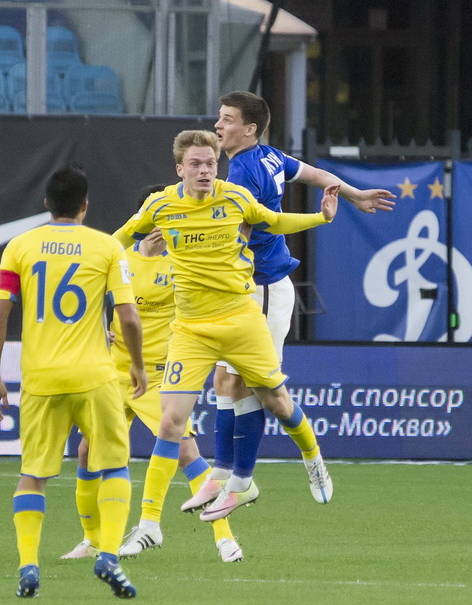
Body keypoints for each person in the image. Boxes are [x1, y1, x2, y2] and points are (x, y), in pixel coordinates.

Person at [112, 129, 338, 552]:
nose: (204, 170)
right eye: (195, 164)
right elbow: (121, 238)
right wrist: (90, 260)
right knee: (170, 423)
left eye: (210, 163)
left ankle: (313, 457)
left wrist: (319, 218)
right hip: (192, 330)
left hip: (240, 320)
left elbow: (272, 222)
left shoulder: (234, 197)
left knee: (277, 401)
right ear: (179, 168)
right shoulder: (161, 204)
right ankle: (149, 524)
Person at [185, 91, 396, 512]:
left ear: (249, 128)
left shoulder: (244, 170)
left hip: (260, 287)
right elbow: (316, 174)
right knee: (225, 382)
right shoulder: (265, 155)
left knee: (262, 390)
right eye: (219, 118)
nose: (218, 125)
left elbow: (237, 237)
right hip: (245, 288)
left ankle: (300, 460)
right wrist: (353, 195)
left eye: (226, 119)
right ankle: (224, 475)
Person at [0, 165, 147, 599]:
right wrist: (138, 364)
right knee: (114, 465)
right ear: (85, 205)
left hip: (40, 379)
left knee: (33, 475)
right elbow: (128, 315)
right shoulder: (107, 247)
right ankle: (108, 554)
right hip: (95, 377)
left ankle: (29, 566)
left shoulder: (20, 246)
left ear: (45, 204)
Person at [61, 185, 243, 563]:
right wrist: (100, 330)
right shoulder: (120, 258)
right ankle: (92, 539)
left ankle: (224, 538)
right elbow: (87, 299)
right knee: (86, 451)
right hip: (115, 369)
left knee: (187, 452)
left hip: (161, 375)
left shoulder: (185, 261)